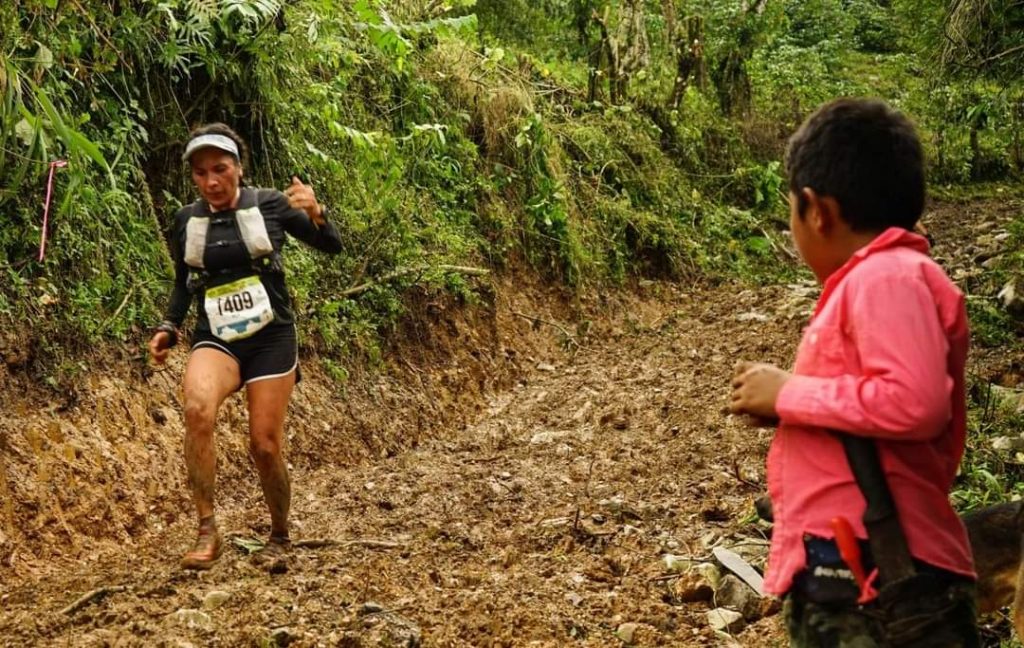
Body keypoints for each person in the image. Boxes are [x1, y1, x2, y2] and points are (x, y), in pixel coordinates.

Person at [729, 99, 979, 646]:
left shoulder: (887, 276)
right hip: (857, 565)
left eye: (790, 210)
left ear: (817, 211)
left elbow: (914, 401)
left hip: (873, 575)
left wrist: (790, 394)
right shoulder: (879, 279)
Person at [148, 123, 342, 570]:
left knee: (265, 445)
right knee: (197, 408)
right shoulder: (186, 220)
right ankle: (206, 528)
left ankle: (279, 533)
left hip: (271, 337)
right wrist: (168, 326)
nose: (211, 181)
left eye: (220, 169)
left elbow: (331, 245)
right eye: (200, 173)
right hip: (216, 336)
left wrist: (317, 212)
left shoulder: (270, 205)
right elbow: (183, 283)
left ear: (238, 167)